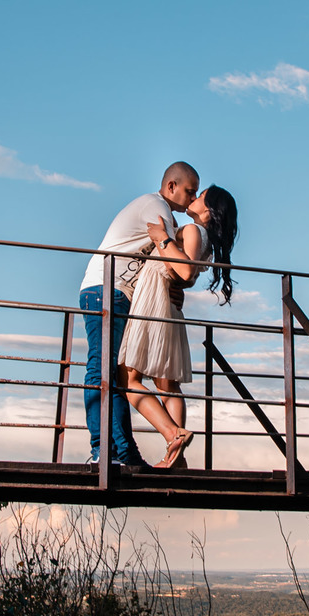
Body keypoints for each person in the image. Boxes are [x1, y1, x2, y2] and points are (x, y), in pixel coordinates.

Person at [78, 162, 199, 466]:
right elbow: (174, 261)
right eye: (189, 190)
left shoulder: (164, 213)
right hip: (105, 289)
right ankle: (102, 450)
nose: (192, 196)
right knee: (102, 369)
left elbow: (168, 266)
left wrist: (178, 287)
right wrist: (180, 282)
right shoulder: (156, 207)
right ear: (171, 186)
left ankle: (123, 452)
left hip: (120, 293)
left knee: (117, 373)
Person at [118, 186, 238, 468]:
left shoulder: (194, 231)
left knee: (128, 379)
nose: (192, 198)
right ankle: (177, 457)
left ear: (207, 210)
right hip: (164, 299)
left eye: (199, 196)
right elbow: (186, 277)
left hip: (155, 300)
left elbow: (185, 271)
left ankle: (173, 434)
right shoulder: (200, 235)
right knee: (167, 384)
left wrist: (162, 239)